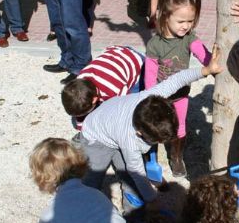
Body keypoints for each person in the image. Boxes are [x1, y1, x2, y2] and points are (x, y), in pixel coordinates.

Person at [80, 49, 221, 210]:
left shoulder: (149, 97)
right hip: (96, 137)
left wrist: (206, 70)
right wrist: (152, 199)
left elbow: (176, 80)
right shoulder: (130, 140)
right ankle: (86, 203)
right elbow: (136, 170)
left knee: (127, 178)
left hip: (113, 124)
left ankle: (133, 214)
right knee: (95, 174)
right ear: (139, 133)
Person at [145, 0, 211, 177]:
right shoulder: (155, 45)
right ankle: (151, 155)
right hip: (161, 96)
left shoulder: (189, 38)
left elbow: (203, 55)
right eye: (181, 21)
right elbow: (150, 77)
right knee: (158, 125)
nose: (186, 26)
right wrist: (152, 99)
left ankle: (176, 156)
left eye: (190, 21)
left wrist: (212, 63)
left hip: (181, 95)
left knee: (180, 126)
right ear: (165, 16)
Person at [61, 45, 144, 125]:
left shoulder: (114, 89)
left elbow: (126, 106)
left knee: (136, 98)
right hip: (114, 56)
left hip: (135, 61)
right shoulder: (80, 79)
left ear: (94, 99)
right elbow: (80, 118)